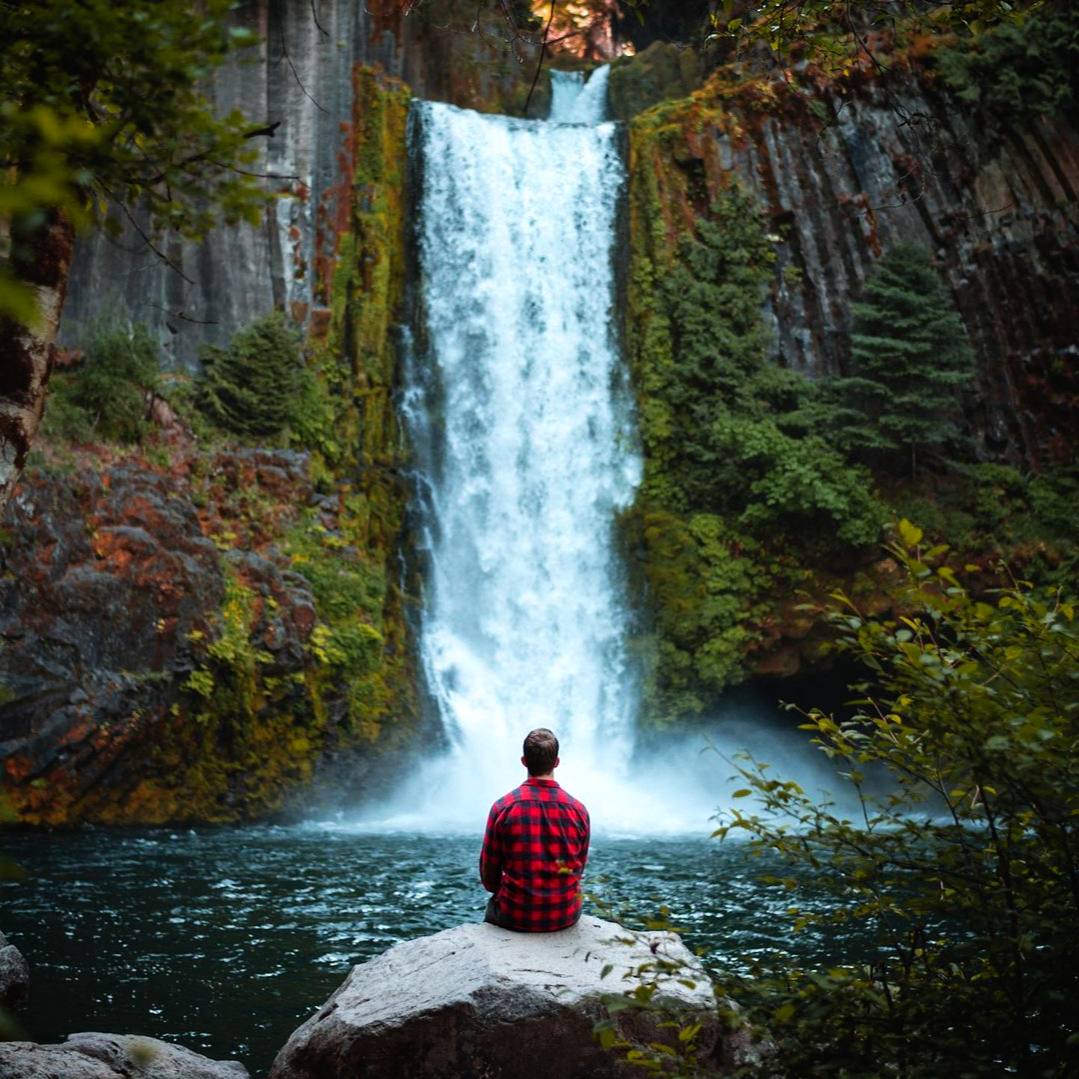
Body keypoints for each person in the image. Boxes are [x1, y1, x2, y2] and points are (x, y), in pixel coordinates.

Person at [479, 728, 591, 932]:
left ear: (523, 761)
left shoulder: (503, 807)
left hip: (515, 915)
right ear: (557, 762)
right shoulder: (578, 810)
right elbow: (578, 870)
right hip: (564, 914)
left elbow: (490, 880)